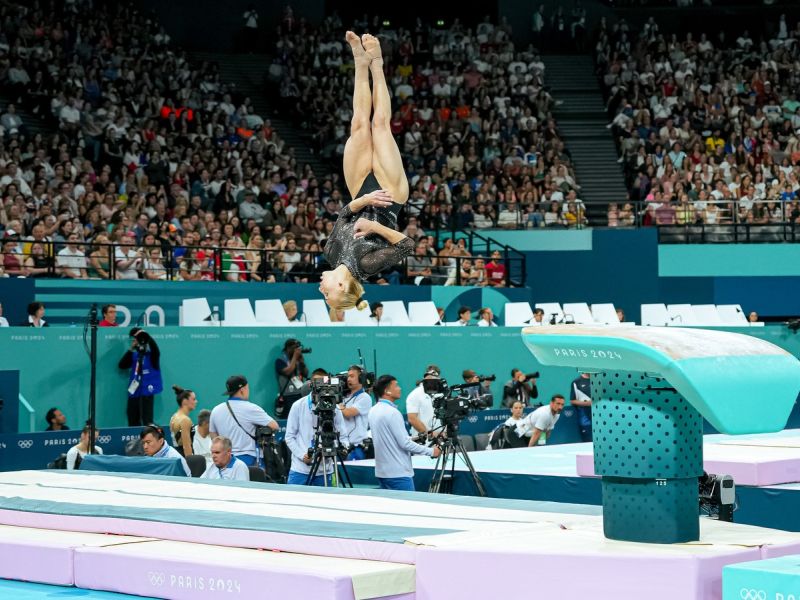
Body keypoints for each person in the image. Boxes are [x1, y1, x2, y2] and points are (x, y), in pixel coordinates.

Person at [319, 33, 415, 310]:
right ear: (341, 287)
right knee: (380, 125)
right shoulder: (366, 266)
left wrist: (361, 201)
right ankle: (377, 64)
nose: (321, 290)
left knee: (359, 124)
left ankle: (360, 61)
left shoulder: (330, 253)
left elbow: (344, 215)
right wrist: (374, 226)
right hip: (388, 198)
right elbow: (407, 246)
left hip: (360, 192)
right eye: (328, 295)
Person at [369, 374, 440, 491]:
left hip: (382, 473)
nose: (400, 388)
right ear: (387, 391)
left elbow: (391, 439)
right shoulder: (392, 413)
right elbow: (404, 444)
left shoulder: (373, 410)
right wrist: (431, 451)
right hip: (398, 474)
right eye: (396, 386)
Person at [284, 373, 347, 485]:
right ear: (311, 385)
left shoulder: (335, 408)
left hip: (326, 470)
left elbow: (342, 435)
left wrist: (343, 448)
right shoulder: (298, 406)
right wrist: (302, 455)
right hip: (300, 470)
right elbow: (289, 437)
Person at [209, 375, 278, 467]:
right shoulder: (251, 408)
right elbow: (275, 426)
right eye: (248, 388)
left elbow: (214, 436)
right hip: (249, 459)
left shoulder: (216, 410)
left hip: (225, 460)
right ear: (242, 390)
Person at [118, 328, 162, 426]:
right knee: (132, 419)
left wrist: (146, 335)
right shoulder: (135, 356)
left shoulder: (152, 356)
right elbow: (122, 365)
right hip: (134, 392)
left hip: (147, 393)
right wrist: (131, 348)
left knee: (147, 421)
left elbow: (156, 349)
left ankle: (149, 440)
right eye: (136, 339)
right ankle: (134, 440)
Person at [338, 365, 372, 460]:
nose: (348, 379)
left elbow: (348, 413)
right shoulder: (344, 397)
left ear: (361, 378)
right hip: (342, 446)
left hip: (356, 447)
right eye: (348, 376)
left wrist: (337, 404)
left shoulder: (364, 397)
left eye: (352, 376)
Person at [274, 338, 310, 417]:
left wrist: (302, 362)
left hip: (300, 394)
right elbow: (288, 371)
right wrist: (295, 357)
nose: (296, 351)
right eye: (294, 348)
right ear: (288, 348)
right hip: (288, 396)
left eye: (297, 348)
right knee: (290, 418)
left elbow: (306, 374)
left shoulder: (297, 360)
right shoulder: (280, 361)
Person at [406, 366, 441, 438]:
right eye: (430, 375)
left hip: (441, 438)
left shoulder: (440, 393)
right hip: (423, 441)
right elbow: (412, 418)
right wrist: (429, 434)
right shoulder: (414, 395)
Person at [169, 385, 197, 456]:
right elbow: (186, 446)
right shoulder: (185, 420)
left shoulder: (174, 417)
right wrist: (190, 463)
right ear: (185, 401)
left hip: (177, 455)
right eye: (193, 399)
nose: (196, 401)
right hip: (185, 457)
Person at [570, 372, 593, 442]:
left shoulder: (599, 380)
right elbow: (572, 401)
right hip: (586, 420)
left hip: (600, 419)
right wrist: (587, 403)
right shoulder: (576, 382)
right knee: (588, 443)